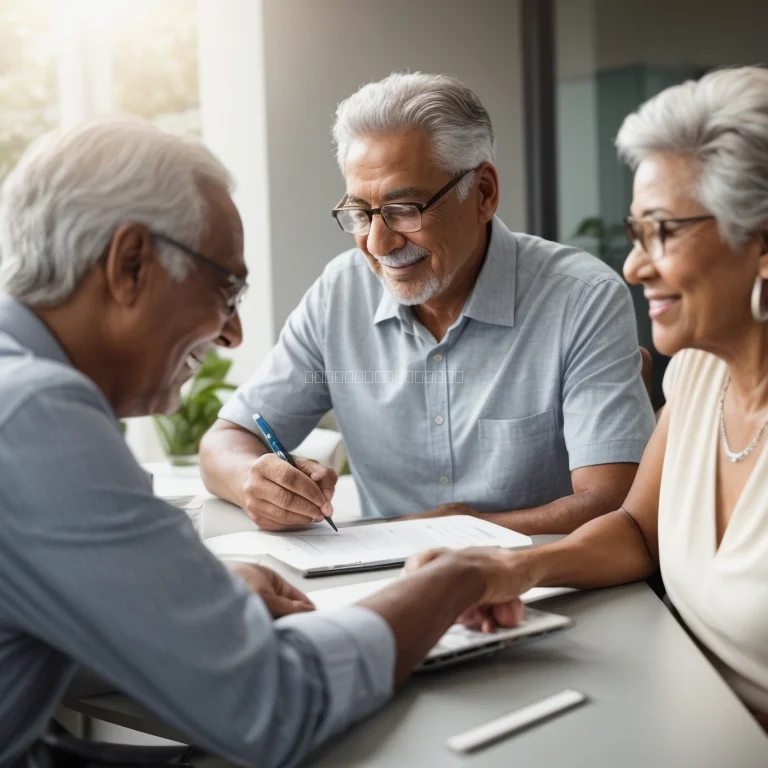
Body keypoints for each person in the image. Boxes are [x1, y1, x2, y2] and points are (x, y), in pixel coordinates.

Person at [0, 118, 526, 767]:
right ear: (130, 263)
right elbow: (273, 703)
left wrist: (182, 598)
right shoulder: (34, 416)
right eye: (226, 289)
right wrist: (455, 580)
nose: (234, 335)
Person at [410, 66, 768, 733]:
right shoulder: (698, 372)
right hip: (674, 710)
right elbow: (637, 530)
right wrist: (510, 569)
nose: (633, 266)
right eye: (636, 234)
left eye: (664, 232)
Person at [200, 72, 656, 534]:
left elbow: (612, 502)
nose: (377, 243)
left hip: (543, 571)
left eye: (404, 210)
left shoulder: (581, 298)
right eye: (360, 213)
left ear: (483, 194)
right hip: (379, 570)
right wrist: (255, 480)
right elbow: (226, 439)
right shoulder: (340, 294)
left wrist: (459, 530)